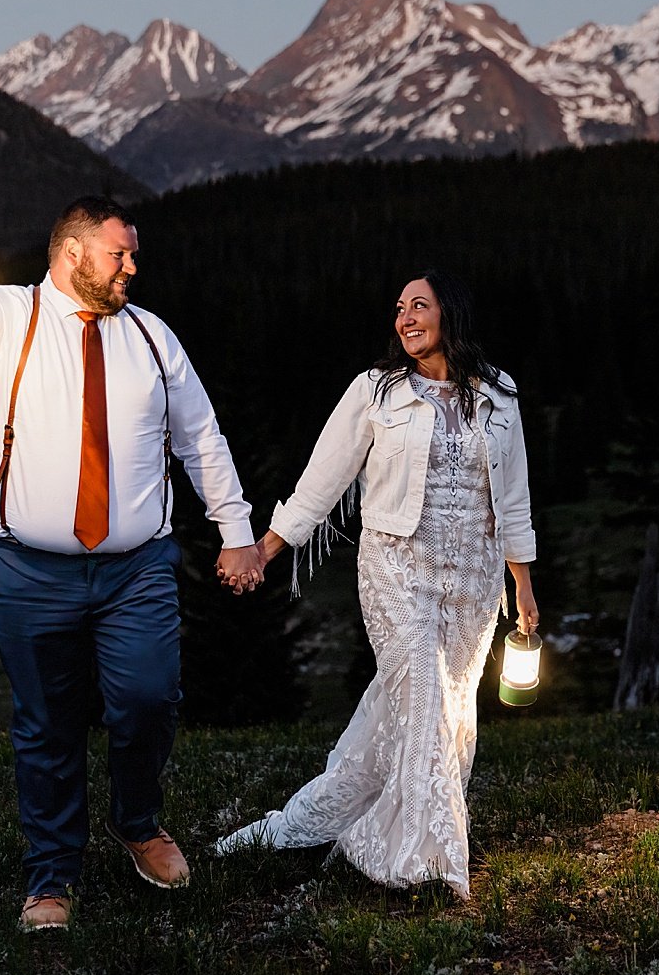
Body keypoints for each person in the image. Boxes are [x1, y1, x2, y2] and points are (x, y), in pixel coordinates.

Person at [0, 195, 265, 932]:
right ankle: (51, 878)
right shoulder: (5, 317)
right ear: (73, 254)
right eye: (120, 254)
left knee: (149, 696)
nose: (132, 266)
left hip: (135, 568)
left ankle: (136, 821)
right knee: (47, 724)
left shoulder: (151, 337)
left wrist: (236, 529)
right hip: (25, 570)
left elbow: (200, 436)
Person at [214, 270, 540, 899]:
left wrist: (522, 585)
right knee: (421, 685)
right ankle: (423, 864)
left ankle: (327, 822)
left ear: (453, 314)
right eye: (399, 309)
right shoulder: (376, 392)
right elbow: (323, 479)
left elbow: (515, 499)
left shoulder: (500, 395)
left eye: (420, 306)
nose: (405, 318)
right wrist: (264, 548)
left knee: (448, 705)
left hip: (473, 574)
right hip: (396, 564)